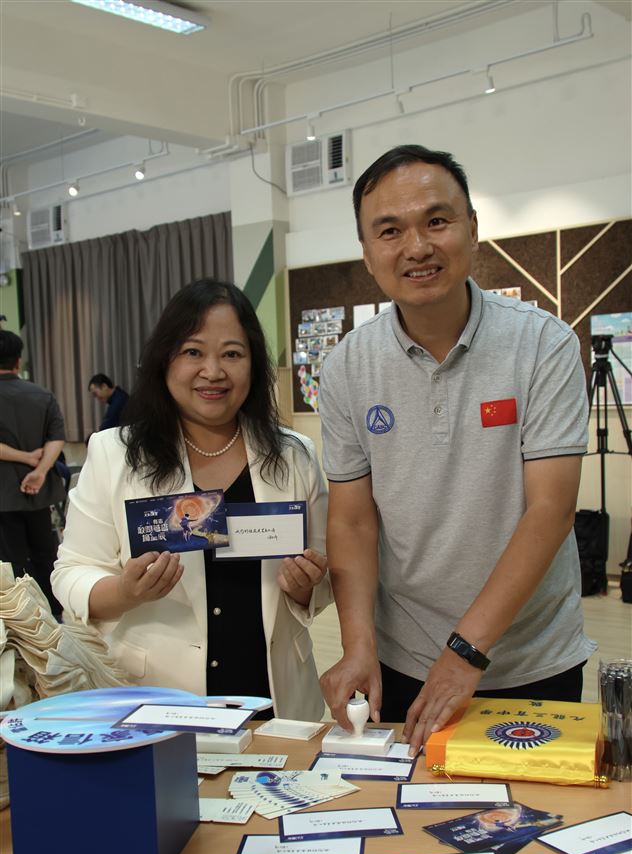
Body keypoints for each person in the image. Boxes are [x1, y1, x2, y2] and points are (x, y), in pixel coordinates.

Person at [318, 144, 595, 755]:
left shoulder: (542, 344)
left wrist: (465, 651)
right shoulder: (346, 367)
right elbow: (353, 520)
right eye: (390, 230)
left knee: (535, 810)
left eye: (436, 221)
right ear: (367, 251)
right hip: (406, 659)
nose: (416, 246)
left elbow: (549, 510)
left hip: (532, 658)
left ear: (472, 228)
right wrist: (358, 644)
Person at [53, 279, 332, 719]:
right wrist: (125, 592)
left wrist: (306, 588)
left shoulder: (295, 455)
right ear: (165, 360)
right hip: (156, 701)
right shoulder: (114, 453)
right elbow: (71, 573)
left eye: (232, 354)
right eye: (193, 352)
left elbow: (326, 572)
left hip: (275, 697)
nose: (213, 371)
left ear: (254, 364)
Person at [0, 330, 66, 617]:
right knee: (46, 554)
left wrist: (22, 457)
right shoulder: (42, 395)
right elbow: (57, 438)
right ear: (18, 360)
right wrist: (38, 469)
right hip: (39, 493)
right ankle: (55, 613)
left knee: (10, 559)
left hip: (3, 495)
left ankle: (25, 618)